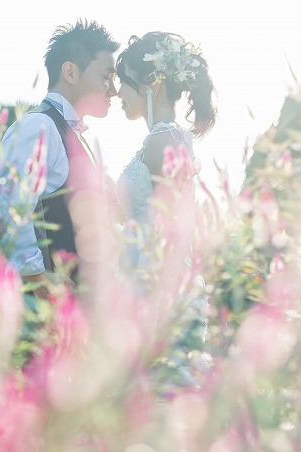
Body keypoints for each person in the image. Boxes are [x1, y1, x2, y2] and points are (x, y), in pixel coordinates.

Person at [0, 20, 119, 296]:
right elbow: (5, 206)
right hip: (43, 313)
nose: (114, 90)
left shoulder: (73, 133)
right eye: (106, 77)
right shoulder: (40, 126)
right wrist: (39, 282)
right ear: (70, 72)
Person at [115, 31, 216, 276]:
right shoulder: (163, 139)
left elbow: (173, 233)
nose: (118, 93)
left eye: (125, 83)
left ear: (153, 84)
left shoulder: (164, 141)